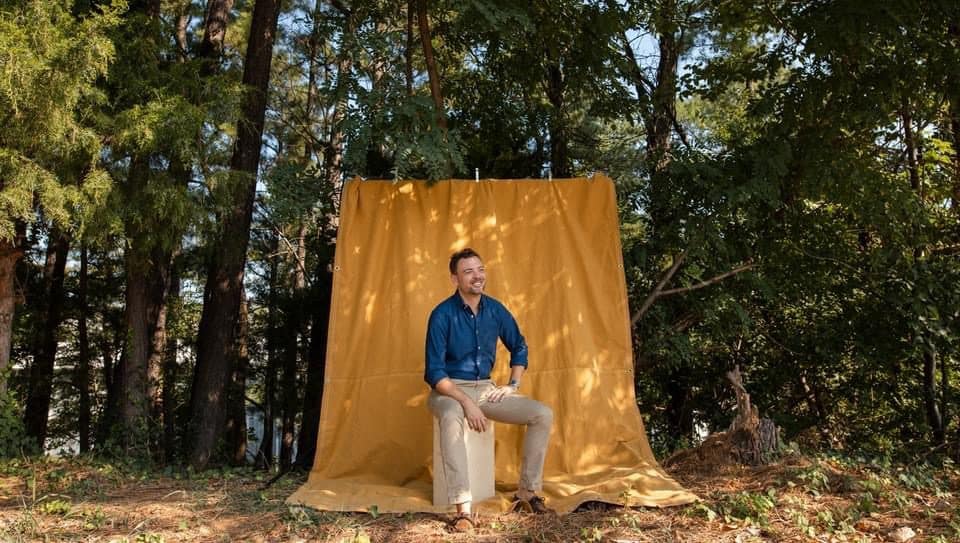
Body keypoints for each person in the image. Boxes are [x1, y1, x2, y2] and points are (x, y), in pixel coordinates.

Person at [425, 248, 554, 530]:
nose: (477, 276)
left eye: (480, 269)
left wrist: (512, 385)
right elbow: (434, 373)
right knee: (450, 416)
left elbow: (519, 346)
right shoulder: (441, 315)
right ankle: (463, 510)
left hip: (485, 389)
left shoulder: (495, 310)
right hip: (448, 390)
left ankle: (527, 494)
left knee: (542, 414)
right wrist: (465, 402)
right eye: (468, 271)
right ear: (454, 279)